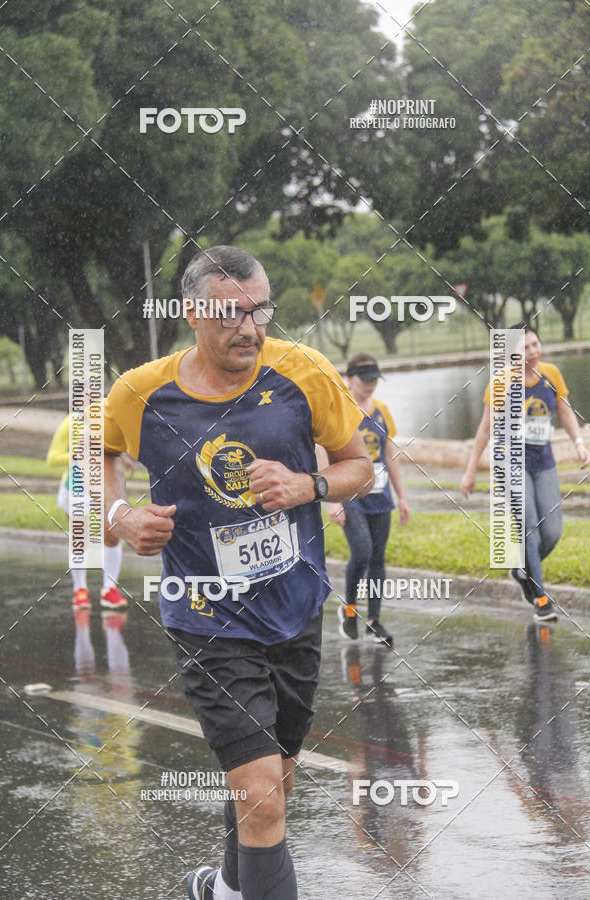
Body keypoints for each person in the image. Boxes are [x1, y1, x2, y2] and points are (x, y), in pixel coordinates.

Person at [102, 246, 373, 900]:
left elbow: (359, 467)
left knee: (270, 785)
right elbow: (93, 464)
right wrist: (119, 515)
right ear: (193, 312)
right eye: (231, 313)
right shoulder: (141, 392)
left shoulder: (303, 371)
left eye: (260, 310)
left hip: (295, 606)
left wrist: (308, 484)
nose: (250, 328)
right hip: (206, 616)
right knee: (261, 793)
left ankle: (223, 888)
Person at [461, 324, 590, 622]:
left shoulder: (552, 374)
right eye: (524, 348)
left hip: (543, 461)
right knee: (529, 527)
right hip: (512, 463)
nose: (532, 352)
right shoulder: (501, 384)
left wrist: (579, 443)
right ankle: (540, 597)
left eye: (535, 345)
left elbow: (565, 410)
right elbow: (484, 429)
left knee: (553, 532)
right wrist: (470, 470)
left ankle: (522, 570)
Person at [329, 353, 410, 647]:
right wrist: (332, 501)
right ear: (349, 379)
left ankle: (374, 621)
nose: (371, 385)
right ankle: (350, 610)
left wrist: (402, 497)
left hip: (380, 496)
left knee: (377, 558)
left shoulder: (382, 410)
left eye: (375, 379)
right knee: (361, 552)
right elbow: (324, 453)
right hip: (350, 495)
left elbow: (390, 455)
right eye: (366, 380)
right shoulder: (338, 409)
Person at [46, 413, 129, 610]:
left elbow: (108, 445)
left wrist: (122, 457)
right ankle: (80, 590)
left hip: (103, 487)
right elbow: (52, 459)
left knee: (112, 535)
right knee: (79, 539)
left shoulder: (106, 418)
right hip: (76, 487)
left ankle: (109, 590)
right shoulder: (70, 423)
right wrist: (76, 455)